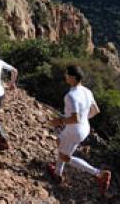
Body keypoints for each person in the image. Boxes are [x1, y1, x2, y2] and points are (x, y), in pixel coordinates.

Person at [47, 65, 112, 196]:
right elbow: (95, 110)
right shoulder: (87, 91)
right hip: (84, 128)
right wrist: (83, 119)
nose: (65, 76)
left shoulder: (70, 95)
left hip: (74, 130)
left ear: (72, 77)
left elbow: (74, 118)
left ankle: (99, 173)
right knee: (60, 142)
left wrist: (58, 121)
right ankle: (57, 173)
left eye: (66, 74)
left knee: (64, 156)